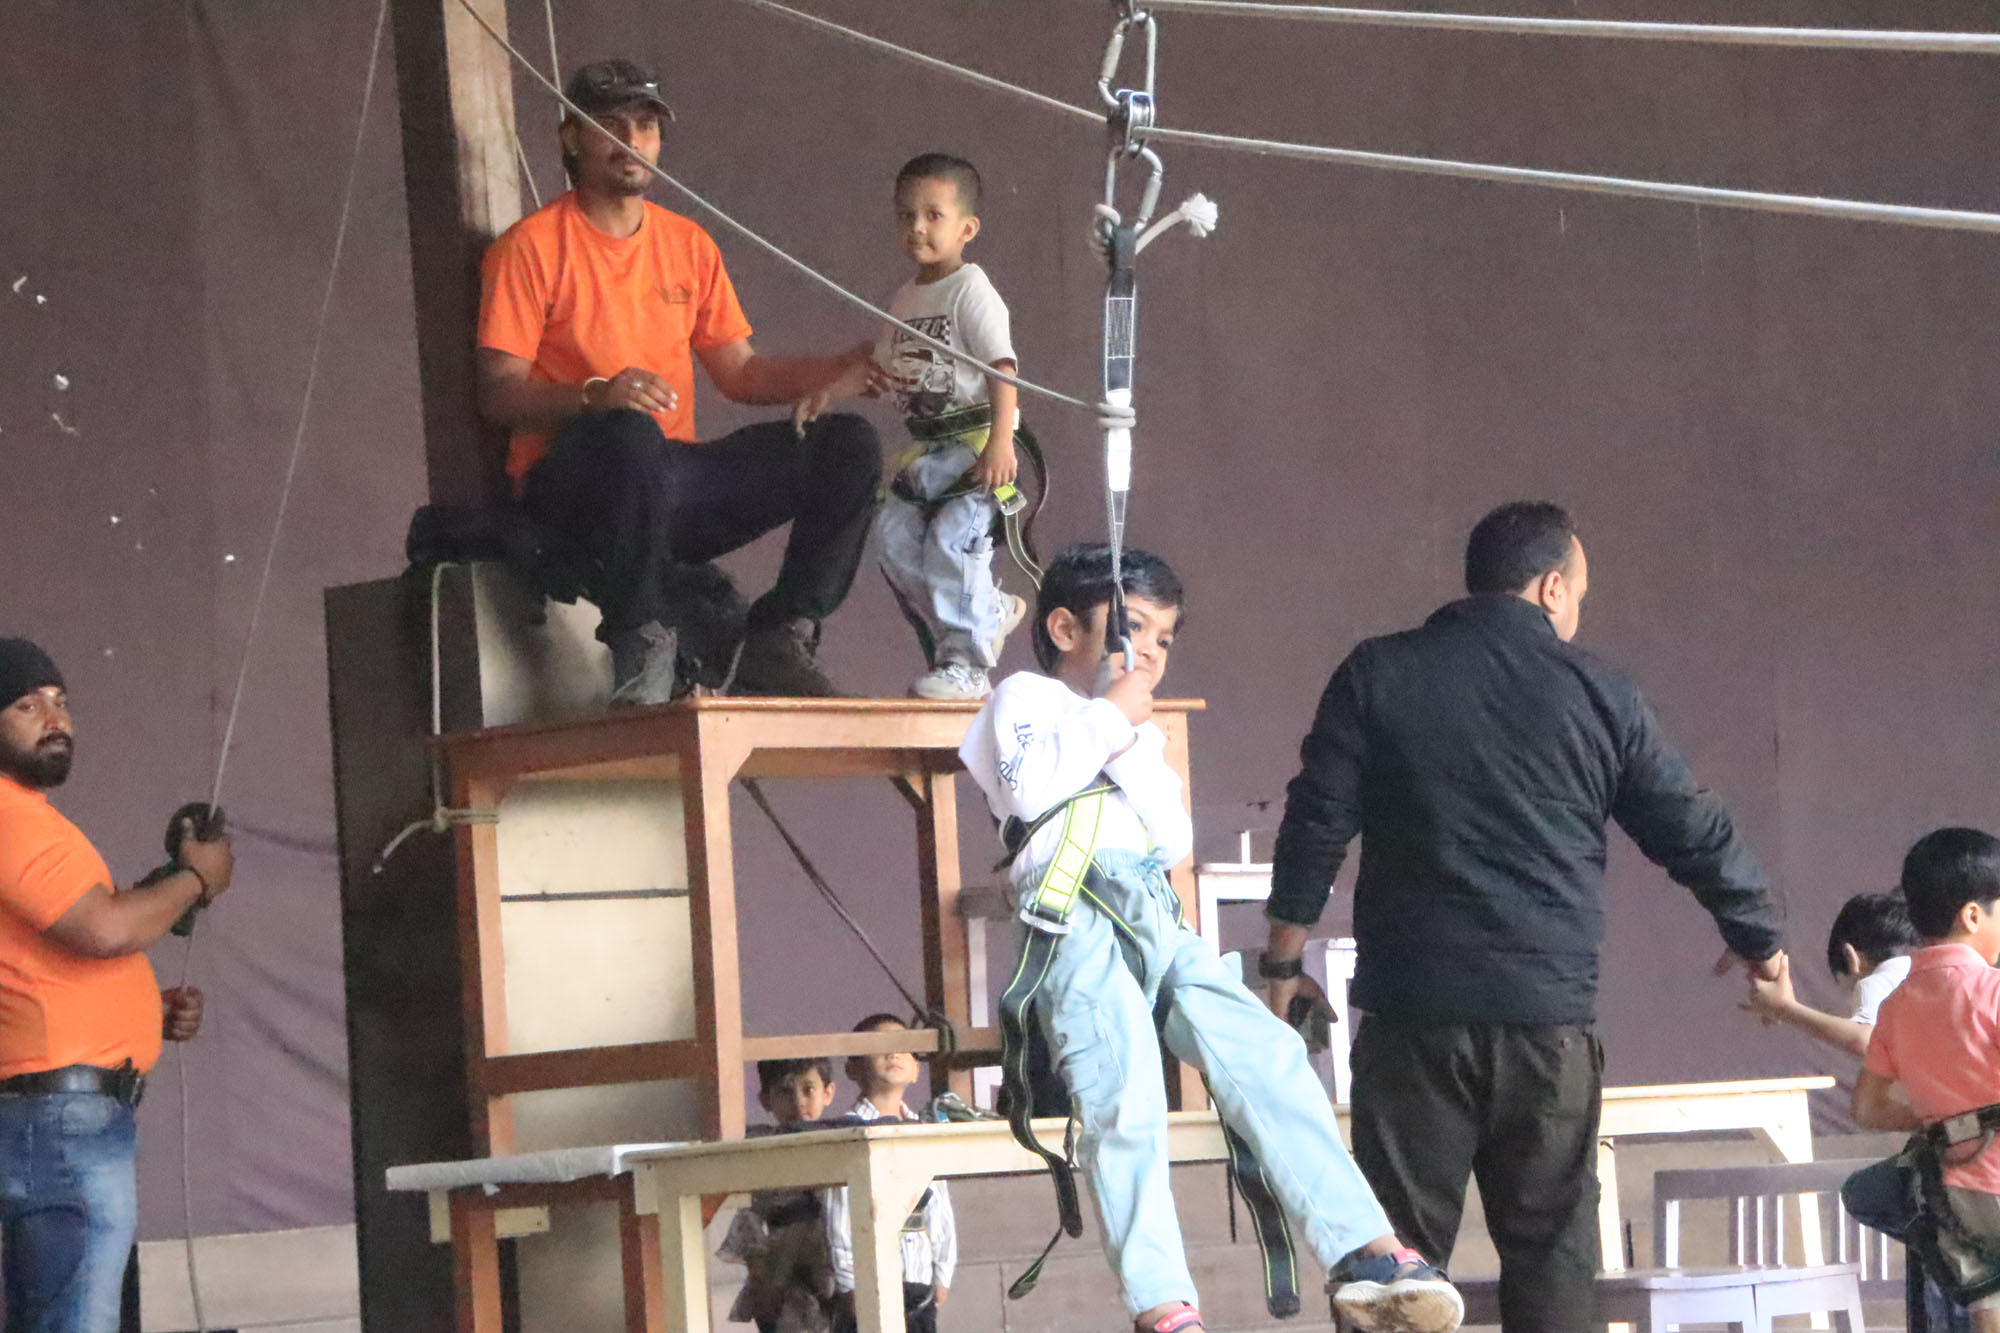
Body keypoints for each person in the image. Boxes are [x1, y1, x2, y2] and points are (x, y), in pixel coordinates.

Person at [1263, 501, 1785, 1333]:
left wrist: (1284, 962)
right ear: (1550, 588)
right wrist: (1757, 934)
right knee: (1551, 1257)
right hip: (1549, 1021)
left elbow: (1315, 822)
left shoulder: (1377, 672)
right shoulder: (1599, 692)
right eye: (1579, 593)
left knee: (1392, 1272)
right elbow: (1689, 822)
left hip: (1414, 1019)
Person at [961, 545, 1464, 1333]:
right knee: (1123, 1093)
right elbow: (1029, 789)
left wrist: (1127, 737)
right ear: (1063, 628)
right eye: (1132, 628)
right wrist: (1108, 718)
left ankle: (1366, 1250)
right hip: (1073, 914)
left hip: (1155, 910)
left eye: (1163, 637)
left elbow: (1172, 836)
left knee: (1267, 1054)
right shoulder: (1024, 697)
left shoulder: (1131, 730)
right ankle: (1164, 1304)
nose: (1150, 651)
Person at [477, 59, 883, 704]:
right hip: (575, 495)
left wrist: (844, 368)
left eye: (646, 125)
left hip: (668, 486)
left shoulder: (688, 244)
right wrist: (596, 395)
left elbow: (742, 373)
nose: (631, 140)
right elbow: (498, 393)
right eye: (611, 124)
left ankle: (779, 634)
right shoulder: (530, 247)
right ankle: (641, 638)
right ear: (570, 137)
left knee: (849, 445)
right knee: (630, 432)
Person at [0, 638, 233, 1332]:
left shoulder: (29, 819)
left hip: (45, 1113)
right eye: (26, 705)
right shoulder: (10, 816)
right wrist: (197, 878)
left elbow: (34, 965)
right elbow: (102, 927)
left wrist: (141, 1014)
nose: (55, 718)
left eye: (61, 701)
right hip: (60, 1123)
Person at [796, 153, 1028, 701]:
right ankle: (985, 611)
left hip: (973, 445)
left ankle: (967, 663)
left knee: (951, 541)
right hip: (928, 451)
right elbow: (880, 366)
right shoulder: (905, 298)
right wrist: (831, 391)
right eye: (906, 216)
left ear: (966, 228)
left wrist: (1000, 443)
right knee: (895, 541)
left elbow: (1002, 369)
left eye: (933, 215)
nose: (917, 227)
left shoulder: (970, 290)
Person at [1853, 828, 2000, 1324]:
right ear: (1973, 915)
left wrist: (1944, 1118)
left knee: (1986, 1302)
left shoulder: (1896, 1005)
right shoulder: (1992, 991)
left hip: (1953, 1194)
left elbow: (1868, 1108)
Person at [818, 1016, 954, 1333]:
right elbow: (839, 1216)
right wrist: (850, 1283)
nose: (893, 1054)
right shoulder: (848, 1131)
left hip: (919, 1284)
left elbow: (939, 1210)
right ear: (853, 1068)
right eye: (881, 1046)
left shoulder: (923, 1130)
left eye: (903, 1047)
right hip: (868, 1285)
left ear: (916, 1068)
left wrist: (942, 1273)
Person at [719, 1057, 842, 1333]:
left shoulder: (840, 1142)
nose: (798, 1102)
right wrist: (758, 1272)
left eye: (808, 1090)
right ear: (766, 1100)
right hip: (780, 1256)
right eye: (785, 1092)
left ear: (828, 1093)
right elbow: (750, 1213)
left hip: (830, 1255)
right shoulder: (763, 1149)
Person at [1744, 890, 1920, 1057]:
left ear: (1852, 957)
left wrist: (1785, 1009)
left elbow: (1865, 1041)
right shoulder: (1926, 970)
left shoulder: (1876, 983)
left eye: (1850, 990)